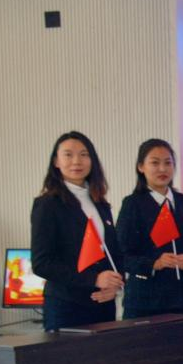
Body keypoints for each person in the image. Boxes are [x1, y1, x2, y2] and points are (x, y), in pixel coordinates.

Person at [31, 131, 124, 332]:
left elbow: (113, 253)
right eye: (68, 155)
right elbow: (42, 263)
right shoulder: (48, 205)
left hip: (102, 304)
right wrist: (94, 279)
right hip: (66, 307)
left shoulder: (100, 203)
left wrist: (115, 285)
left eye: (84, 154)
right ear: (56, 162)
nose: (76, 161)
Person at [117, 139, 183, 320]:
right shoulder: (132, 204)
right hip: (145, 303)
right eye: (155, 163)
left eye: (168, 163)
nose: (162, 169)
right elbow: (122, 255)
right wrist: (154, 263)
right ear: (141, 167)